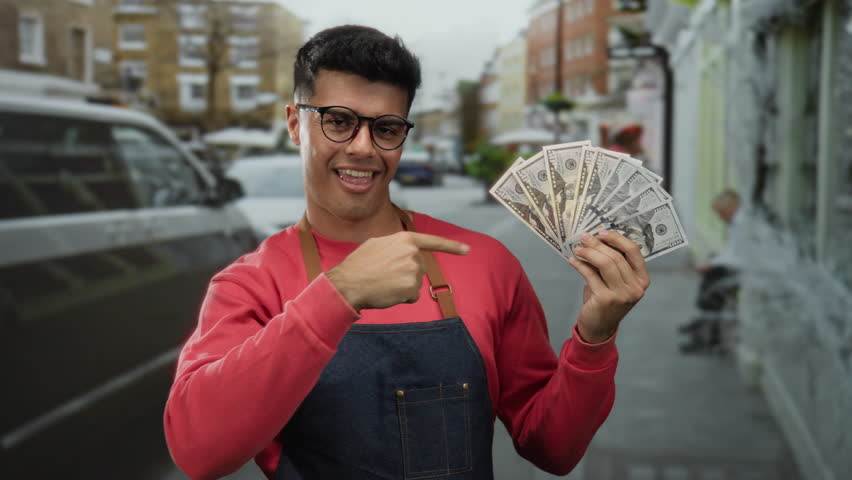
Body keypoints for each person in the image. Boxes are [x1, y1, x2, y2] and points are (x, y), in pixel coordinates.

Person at [163, 25, 651, 480]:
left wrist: (595, 335)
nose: (362, 147)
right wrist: (339, 294)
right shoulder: (250, 284)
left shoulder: (484, 262)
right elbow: (199, 452)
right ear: (295, 124)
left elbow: (553, 448)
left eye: (387, 128)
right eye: (338, 121)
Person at [678, 189, 742, 354]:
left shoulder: (741, 224)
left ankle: (706, 334)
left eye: (721, 213)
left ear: (730, 209)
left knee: (713, 284)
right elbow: (732, 253)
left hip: (743, 274)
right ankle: (703, 323)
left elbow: (739, 258)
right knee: (711, 272)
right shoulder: (736, 223)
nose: (720, 218)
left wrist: (710, 265)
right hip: (737, 271)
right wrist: (711, 262)